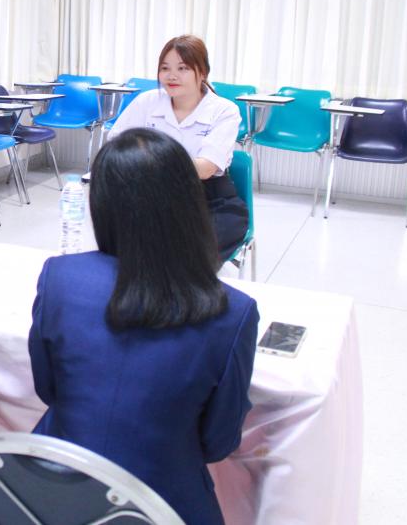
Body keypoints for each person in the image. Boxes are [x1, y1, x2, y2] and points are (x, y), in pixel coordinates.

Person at [30, 128, 259, 525]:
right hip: (161, 504)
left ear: (102, 205)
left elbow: (47, 388)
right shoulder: (233, 312)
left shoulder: (61, 277)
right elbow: (217, 442)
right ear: (191, 203)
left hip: (50, 490)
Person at [107, 35, 248, 261]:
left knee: (192, 253)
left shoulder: (224, 110)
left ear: (203, 73)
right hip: (152, 193)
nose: (172, 76)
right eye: (165, 68)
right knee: (125, 240)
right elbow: (117, 144)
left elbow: (205, 169)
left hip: (208, 199)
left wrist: (149, 157)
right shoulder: (147, 101)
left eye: (182, 68)